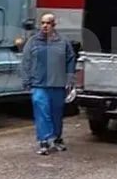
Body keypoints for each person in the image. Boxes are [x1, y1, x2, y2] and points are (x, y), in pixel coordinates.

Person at [21, 12, 77, 155]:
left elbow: (70, 60)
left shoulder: (63, 42)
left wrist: (70, 78)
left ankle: (57, 138)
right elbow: (26, 62)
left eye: (48, 23)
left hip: (57, 84)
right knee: (42, 112)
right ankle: (44, 141)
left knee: (56, 113)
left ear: (54, 25)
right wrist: (27, 81)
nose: (45, 26)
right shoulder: (33, 42)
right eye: (43, 23)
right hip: (39, 84)